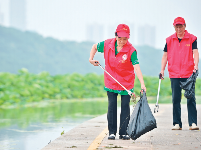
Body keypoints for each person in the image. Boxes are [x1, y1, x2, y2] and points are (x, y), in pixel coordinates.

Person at [89, 24, 146, 140]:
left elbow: (136, 66)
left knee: (125, 106)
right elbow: (94, 46)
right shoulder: (107, 44)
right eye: (120, 38)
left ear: (128, 38)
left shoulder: (131, 50)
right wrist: (91, 59)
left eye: (125, 39)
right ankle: (112, 132)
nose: (122, 41)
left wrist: (142, 83)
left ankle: (123, 132)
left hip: (126, 82)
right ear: (115, 36)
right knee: (112, 106)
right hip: (111, 80)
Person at [160, 17, 199, 130]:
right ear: (174, 27)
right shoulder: (169, 40)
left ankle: (193, 123)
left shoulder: (192, 38)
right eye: (176, 26)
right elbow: (165, 56)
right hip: (174, 73)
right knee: (176, 99)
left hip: (188, 73)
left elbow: (195, 53)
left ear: (184, 26)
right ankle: (177, 123)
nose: (178, 28)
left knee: (190, 98)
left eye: (180, 26)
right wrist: (162, 69)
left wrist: (196, 65)